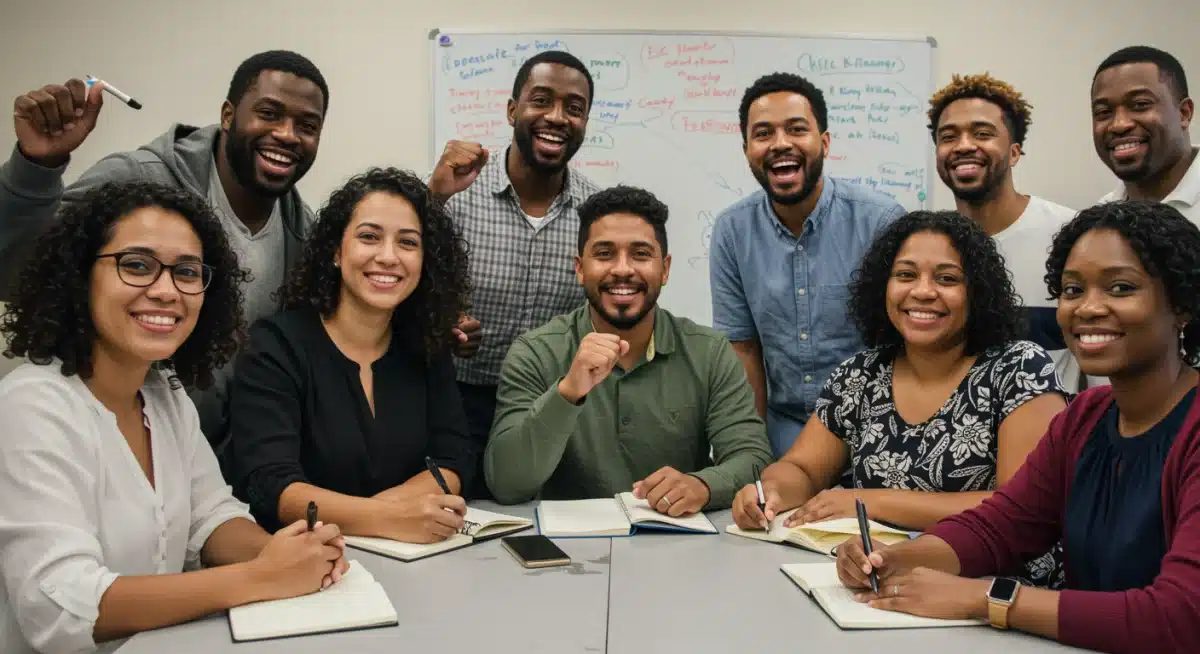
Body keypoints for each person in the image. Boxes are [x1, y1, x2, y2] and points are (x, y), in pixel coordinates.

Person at [835, 200, 1200, 654]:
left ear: (1182, 304)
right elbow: (1003, 526)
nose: (1088, 308)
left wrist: (987, 599)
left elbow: (1181, 616)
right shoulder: (1086, 416)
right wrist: (895, 558)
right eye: (1072, 290)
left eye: (1120, 288)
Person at [0, 181, 347, 654]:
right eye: (136, 265)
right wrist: (262, 576)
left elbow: (212, 516)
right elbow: (61, 608)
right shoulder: (31, 407)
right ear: (79, 276)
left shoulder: (164, 393)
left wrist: (290, 552)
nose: (166, 291)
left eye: (186, 272)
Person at [1, 50, 330, 451]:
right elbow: (16, 277)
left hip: (206, 462)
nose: (287, 134)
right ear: (228, 116)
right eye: (269, 113)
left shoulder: (303, 233)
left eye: (307, 126)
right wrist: (36, 168)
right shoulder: (136, 181)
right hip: (97, 446)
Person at [731, 210, 1067, 585]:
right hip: (881, 579)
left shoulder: (1019, 368)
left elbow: (1019, 507)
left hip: (997, 590)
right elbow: (803, 468)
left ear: (978, 292)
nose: (922, 291)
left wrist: (870, 501)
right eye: (905, 275)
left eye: (947, 279)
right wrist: (771, 491)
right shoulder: (861, 375)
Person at [227, 168, 478, 543]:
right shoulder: (276, 346)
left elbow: (454, 459)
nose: (388, 257)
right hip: (305, 560)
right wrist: (388, 518)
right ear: (335, 250)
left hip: (412, 558)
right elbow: (270, 484)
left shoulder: (427, 345)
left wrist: (380, 517)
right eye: (369, 237)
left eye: (408, 243)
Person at [486, 185, 773, 513]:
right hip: (568, 541)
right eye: (604, 254)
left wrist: (704, 486)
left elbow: (753, 458)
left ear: (665, 269)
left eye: (640, 254)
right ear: (580, 269)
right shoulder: (535, 353)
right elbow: (506, 483)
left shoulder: (709, 352)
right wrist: (568, 392)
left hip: (680, 536)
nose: (622, 269)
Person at [427, 50, 602, 497]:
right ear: (512, 110)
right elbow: (400, 284)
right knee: (459, 522)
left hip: (553, 409)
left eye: (574, 108)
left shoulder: (595, 214)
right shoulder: (456, 192)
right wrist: (443, 326)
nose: (557, 117)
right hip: (458, 402)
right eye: (541, 100)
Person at [710, 72, 906, 458]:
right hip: (786, 427)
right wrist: (750, 454)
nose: (781, 143)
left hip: (876, 424)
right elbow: (743, 349)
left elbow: (907, 343)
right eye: (763, 133)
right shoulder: (732, 231)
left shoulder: (881, 221)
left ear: (824, 142)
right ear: (747, 149)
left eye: (796, 129)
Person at [928, 72, 1083, 394]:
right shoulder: (929, 247)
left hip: (1051, 422)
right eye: (949, 136)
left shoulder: (1072, 235)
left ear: (1014, 152)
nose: (964, 146)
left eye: (982, 134)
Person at [1094, 46, 1197, 223]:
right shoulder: (1100, 219)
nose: (1119, 125)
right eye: (1103, 112)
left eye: (1140, 104)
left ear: (1184, 113)